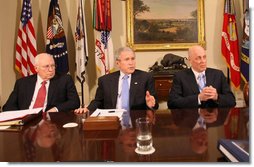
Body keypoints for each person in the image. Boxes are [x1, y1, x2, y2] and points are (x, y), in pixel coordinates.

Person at [74, 46, 159, 114]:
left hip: (135, 119)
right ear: (118, 63)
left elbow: (154, 103)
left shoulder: (145, 78)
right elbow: (98, 101)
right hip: (112, 119)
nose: (131, 63)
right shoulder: (105, 80)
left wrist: (151, 105)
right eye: (127, 59)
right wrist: (87, 109)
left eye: (133, 59)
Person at [3, 53, 80, 112]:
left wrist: (56, 109)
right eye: (46, 66)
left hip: (50, 120)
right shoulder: (22, 83)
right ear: (36, 68)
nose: (51, 69)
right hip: (26, 121)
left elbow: (75, 102)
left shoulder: (64, 80)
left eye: (53, 66)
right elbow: (8, 107)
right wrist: (20, 117)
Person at [168, 45, 236, 109]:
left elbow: (232, 101)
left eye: (204, 57)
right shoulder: (180, 77)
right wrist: (198, 98)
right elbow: (172, 103)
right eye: (198, 58)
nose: (203, 61)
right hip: (191, 119)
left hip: (214, 119)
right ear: (189, 60)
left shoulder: (218, 75)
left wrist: (217, 97)